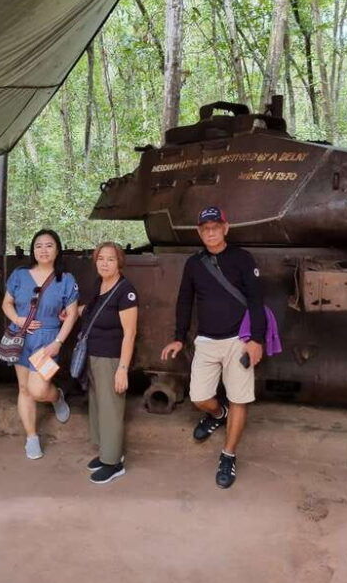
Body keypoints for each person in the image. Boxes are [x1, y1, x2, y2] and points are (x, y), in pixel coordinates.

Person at [161, 206, 265, 489]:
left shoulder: (242, 259)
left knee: (239, 399)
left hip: (238, 341)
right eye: (205, 228)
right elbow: (185, 301)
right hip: (206, 340)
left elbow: (256, 299)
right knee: (199, 397)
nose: (211, 232)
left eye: (215, 227)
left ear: (225, 228)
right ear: (199, 232)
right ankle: (218, 415)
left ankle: (228, 455)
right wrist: (179, 337)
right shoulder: (194, 264)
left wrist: (257, 339)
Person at [2, 229, 78, 459]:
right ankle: (32, 437)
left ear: (57, 250)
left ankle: (56, 397)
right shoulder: (19, 274)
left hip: (48, 340)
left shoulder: (65, 279)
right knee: (24, 388)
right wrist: (17, 319)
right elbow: (7, 303)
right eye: (39, 246)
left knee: (38, 389)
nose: (43, 250)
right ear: (32, 250)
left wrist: (58, 342)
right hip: (21, 336)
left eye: (49, 245)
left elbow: (72, 314)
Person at [80, 242, 138, 484]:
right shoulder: (101, 284)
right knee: (98, 406)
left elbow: (130, 333)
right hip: (93, 355)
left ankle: (114, 463)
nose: (104, 263)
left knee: (111, 409)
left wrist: (122, 369)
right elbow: (93, 311)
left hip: (111, 358)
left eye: (110, 259)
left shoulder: (126, 291)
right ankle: (106, 454)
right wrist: (73, 311)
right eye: (100, 258)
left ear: (119, 263)